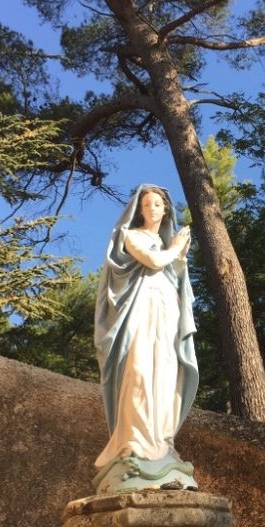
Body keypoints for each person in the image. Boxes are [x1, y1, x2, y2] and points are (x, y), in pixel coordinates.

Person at [93, 184, 198, 492]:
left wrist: (179, 257)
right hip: (140, 311)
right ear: (139, 210)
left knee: (166, 377)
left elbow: (175, 275)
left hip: (166, 311)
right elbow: (153, 261)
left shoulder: (168, 244)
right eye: (147, 204)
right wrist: (175, 248)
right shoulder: (132, 236)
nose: (153, 209)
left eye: (158, 204)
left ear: (166, 210)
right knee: (139, 372)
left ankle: (162, 444)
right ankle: (135, 443)